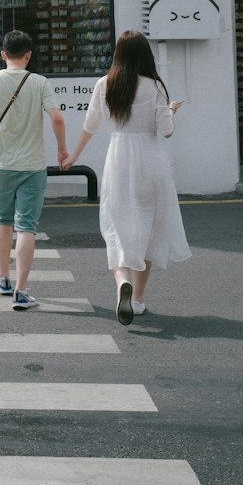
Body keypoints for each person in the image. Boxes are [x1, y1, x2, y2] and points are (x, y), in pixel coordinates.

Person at [63, 29, 189, 325]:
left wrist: (73, 157)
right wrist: (172, 110)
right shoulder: (155, 86)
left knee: (117, 224)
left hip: (119, 159)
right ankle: (140, 300)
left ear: (117, 54)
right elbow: (167, 130)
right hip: (150, 159)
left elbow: (90, 126)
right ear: (146, 55)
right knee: (147, 226)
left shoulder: (104, 84)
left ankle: (122, 283)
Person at [0, 29, 67, 311]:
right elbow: (58, 119)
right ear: (29, 55)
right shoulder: (40, 83)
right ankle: (21, 291)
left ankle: (3, 278)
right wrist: (63, 150)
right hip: (33, 166)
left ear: (3, 54)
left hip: (1, 165)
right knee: (26, 227)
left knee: (3, 221)